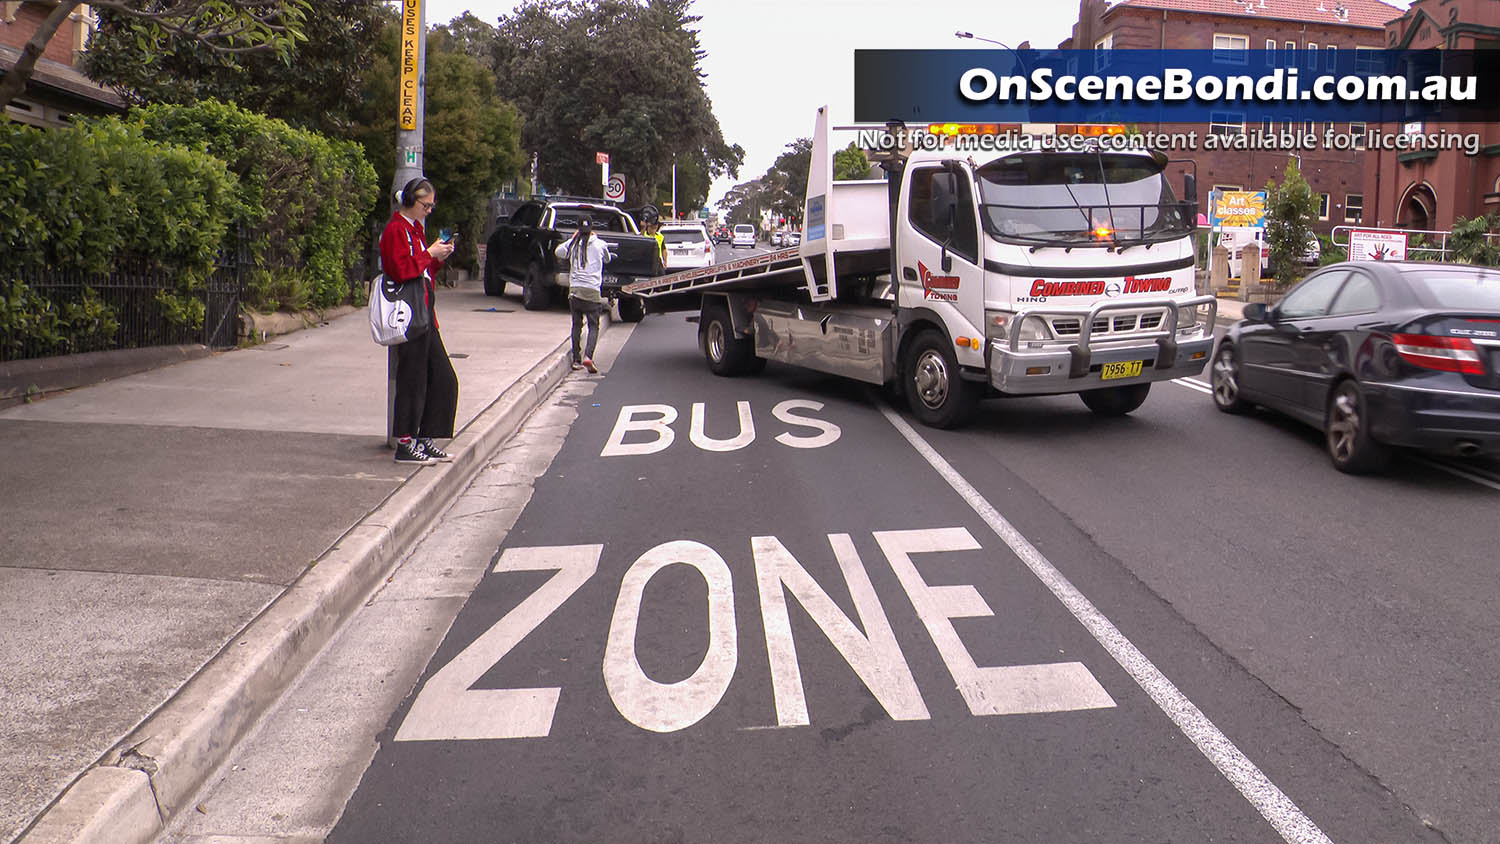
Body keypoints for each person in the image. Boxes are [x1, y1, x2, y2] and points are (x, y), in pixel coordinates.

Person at [379, 177, 458, 465]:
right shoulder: (395, 231)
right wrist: (428, 255)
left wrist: (437, 256)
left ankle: (425, 437)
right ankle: (405, 441)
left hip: (425, 313)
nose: (428, 210)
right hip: (410, 315)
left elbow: (423, 271)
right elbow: (401, 270)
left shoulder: (414, 230)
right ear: (411, 201)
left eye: (431, 206)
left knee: (442, 379)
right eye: (425, 205)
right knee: (412, 379)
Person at [555, 217, 613, 373]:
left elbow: (558, 252)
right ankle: (588, 356)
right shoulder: (600, 244)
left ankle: (576, 359)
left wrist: (573, 238)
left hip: (574, 292)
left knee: (576, 325)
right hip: (592, 292)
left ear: (578, 229)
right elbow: (607, 259)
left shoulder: (573, 244)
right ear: (592, 228)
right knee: (593, 326)